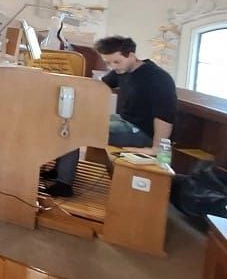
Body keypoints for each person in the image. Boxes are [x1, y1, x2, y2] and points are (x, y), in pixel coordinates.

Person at [47, 35, 178, 197]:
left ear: (131, 55)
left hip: (143, 133)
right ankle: (58, 170)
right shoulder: (121, 70)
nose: (112, 67)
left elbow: (165, 116)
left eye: (116, 62)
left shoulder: (157, 78)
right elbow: (98, 87)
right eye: (108, 63)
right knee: (67, 121)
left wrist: (156, 148)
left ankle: (64, 185)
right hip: (123, 121)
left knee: (75, 130)